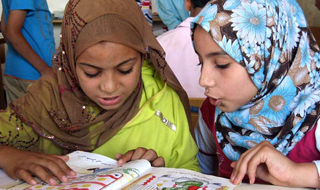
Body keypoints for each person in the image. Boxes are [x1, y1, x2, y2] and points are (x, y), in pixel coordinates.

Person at [0, 0, 199, 186]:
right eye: (91, 73)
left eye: (126, 70)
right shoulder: (47, 98)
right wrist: (7, 155)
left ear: (142, 56)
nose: (110, 87)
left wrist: (161, 175)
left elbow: (191, 171)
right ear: (69, 62)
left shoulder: (161, 99)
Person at [192, 0, 320, 188]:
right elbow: (201, 175)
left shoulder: (314, 113)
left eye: (221, 64)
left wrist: (296, 173)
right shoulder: (212, 112)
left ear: (270, 57)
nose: (203, 80)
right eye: (200, 62)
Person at [0, 0, 55, 104]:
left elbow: (4, 26)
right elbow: (11, 33)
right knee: (43, 118)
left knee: (19, 119)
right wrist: (45, 70)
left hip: (14, 70)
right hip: (35, 74)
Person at [157, 0, 209, 98]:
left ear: (188, 4)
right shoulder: (230, 45)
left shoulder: (158, 44)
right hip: (215, 110)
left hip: (172, 110)